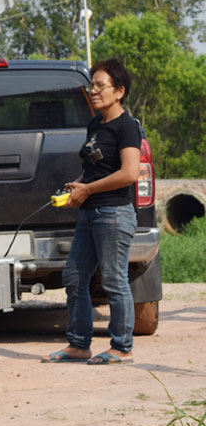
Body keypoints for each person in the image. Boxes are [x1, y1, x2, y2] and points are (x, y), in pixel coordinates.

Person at [43, 58, 141, 365]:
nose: (94, 91)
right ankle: (79, 344)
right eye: (92, 85)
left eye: (101, 86)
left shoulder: (127, 128)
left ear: (119, 91)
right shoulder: (95, 125)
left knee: (113, 280)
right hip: (90, 212)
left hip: (113, 214)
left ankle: (122, 347)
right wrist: (80, 185)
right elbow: (96, 169)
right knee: (74, 276)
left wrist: (89, 189)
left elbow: (129, 174)